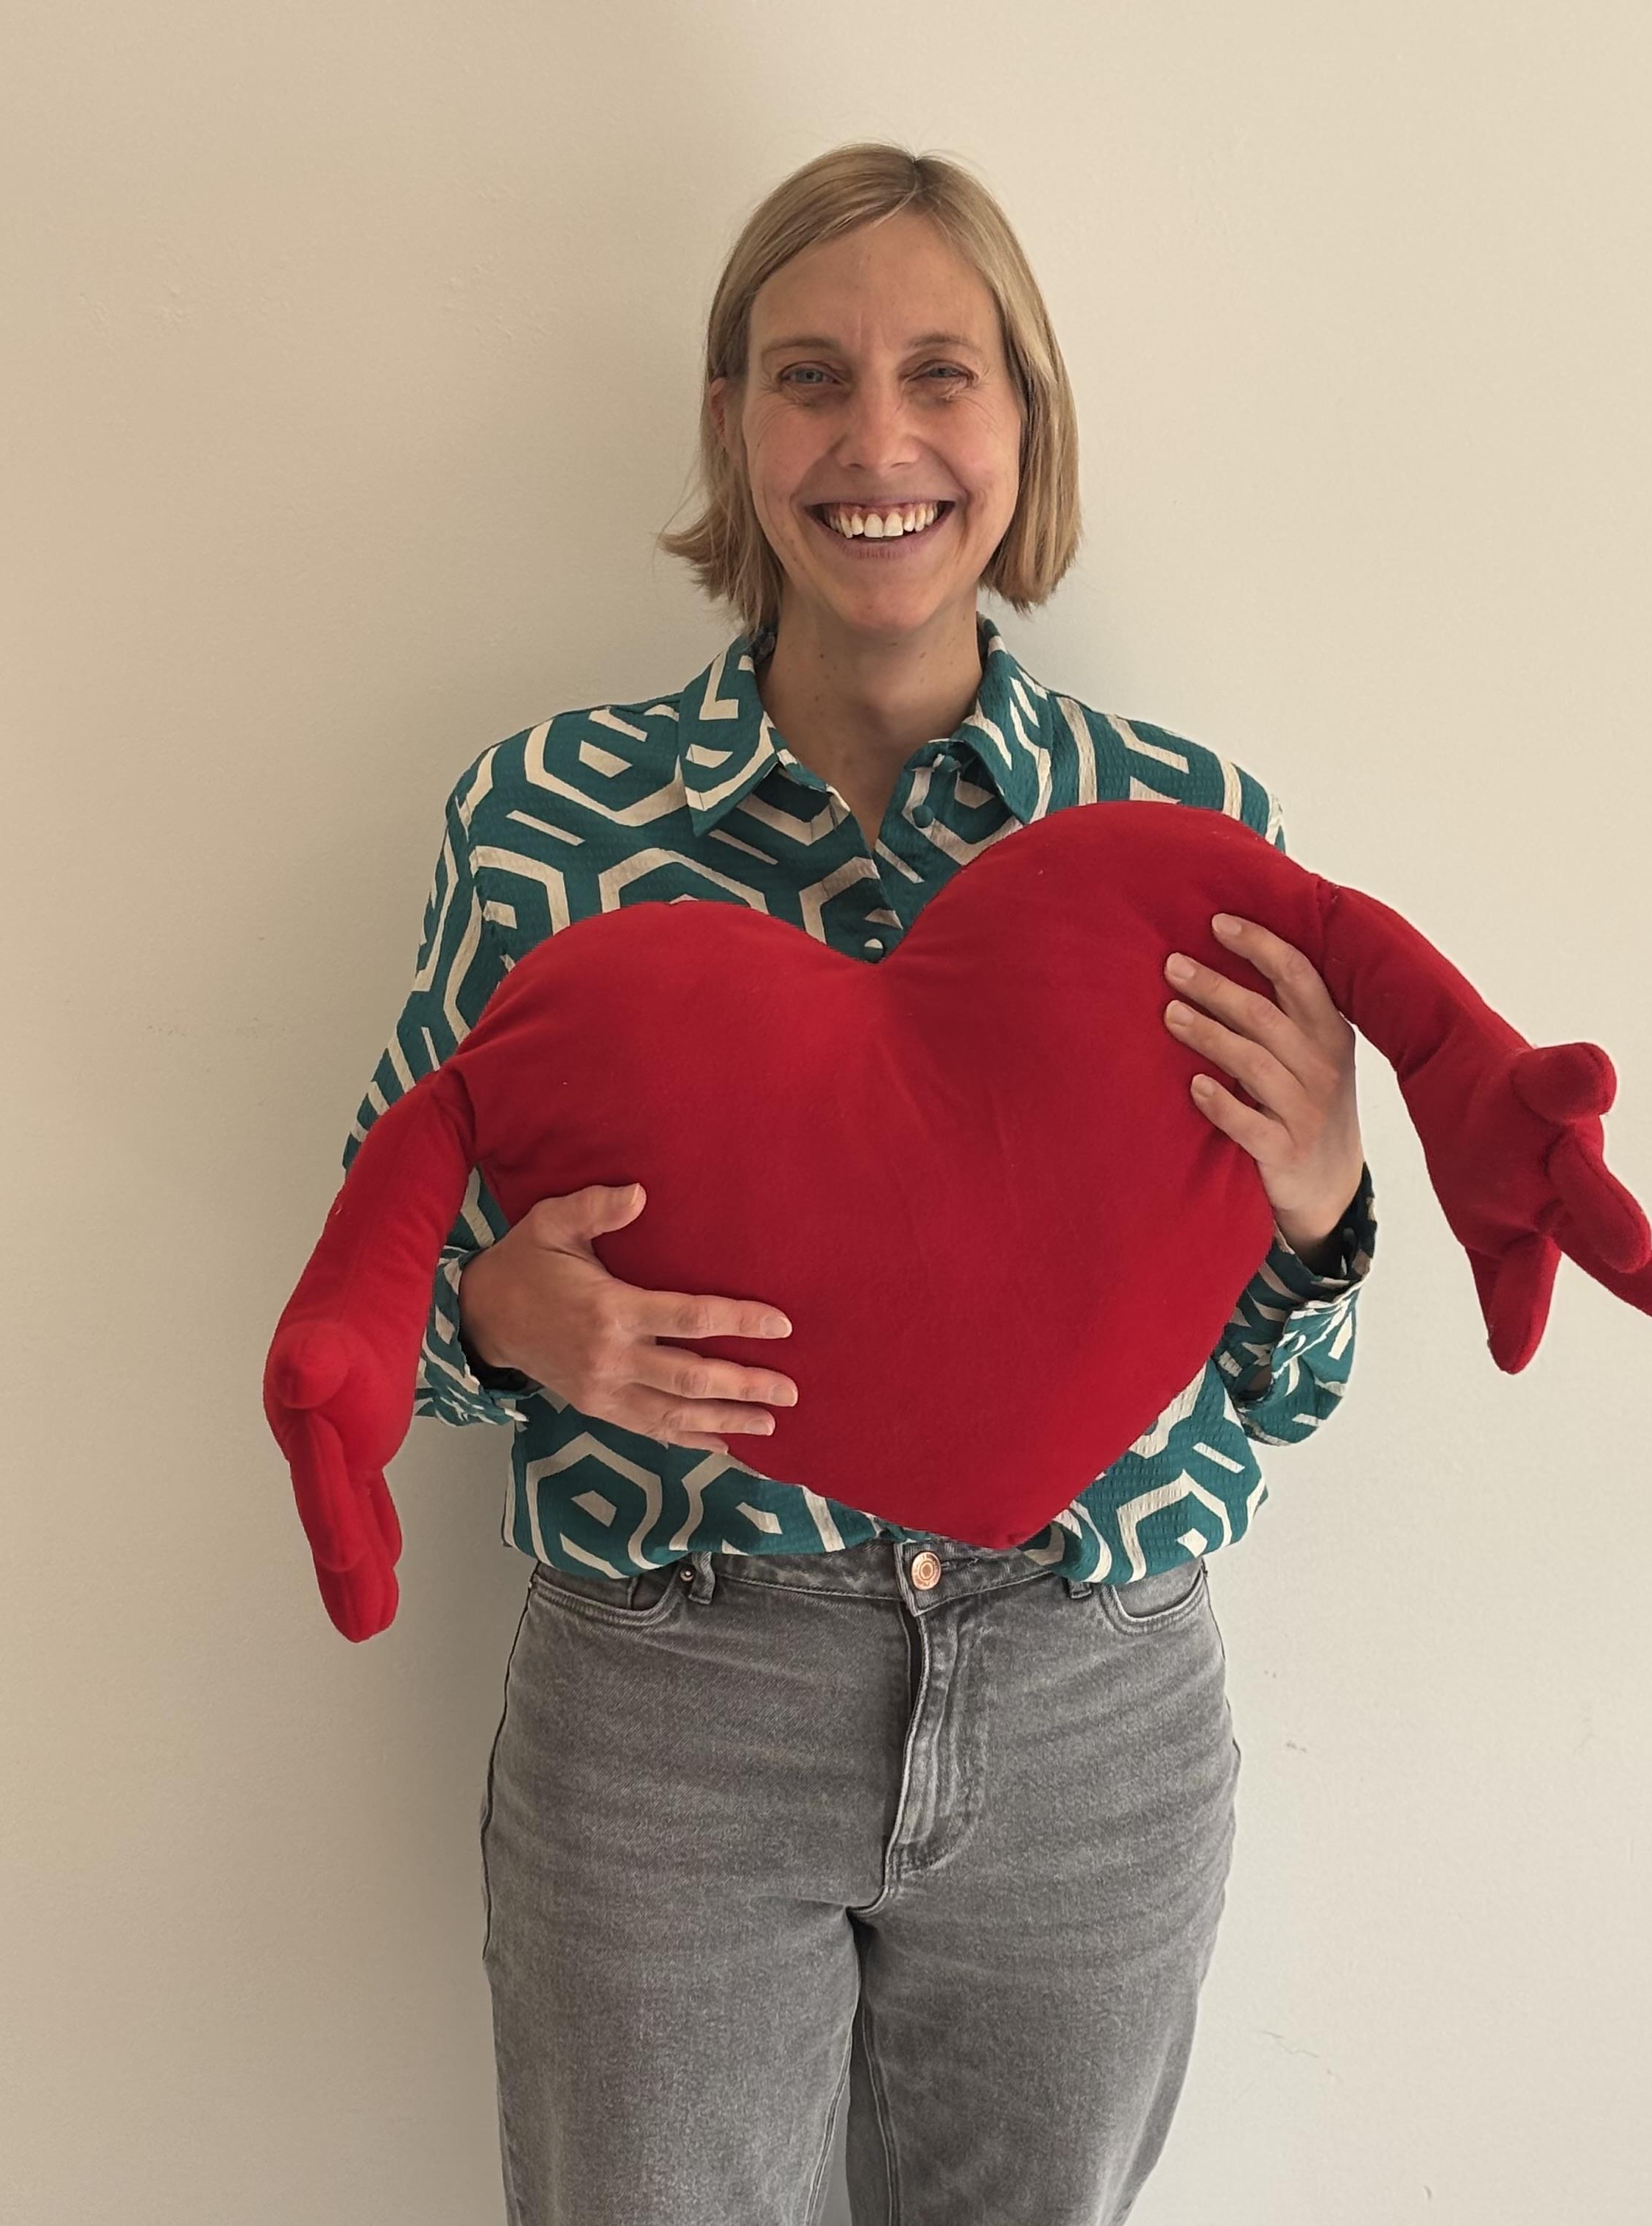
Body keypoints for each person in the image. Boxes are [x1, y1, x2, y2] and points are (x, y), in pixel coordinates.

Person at [343, 142, 1377, 2226]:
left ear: (1025, 421)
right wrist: (493, 1316)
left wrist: (1328, 1210)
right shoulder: (550, 821)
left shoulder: (1187, 828)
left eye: (940, 374)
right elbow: (377, 1298)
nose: (876, 441)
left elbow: (1281, 1389)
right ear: (733, 423)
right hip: (675, 1697)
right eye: (810, 377)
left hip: (1091, 1707)